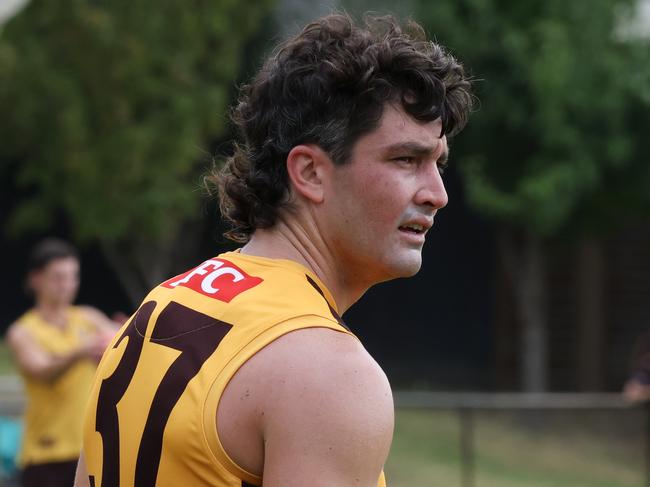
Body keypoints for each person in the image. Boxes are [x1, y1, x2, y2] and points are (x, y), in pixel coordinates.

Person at [76, 13, 473, 487]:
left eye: (438, 164)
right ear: (309, 173)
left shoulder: (165, 302)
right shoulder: (328, 373)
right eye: (406, 159)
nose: (437, 193)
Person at [6, 238, 118, 487]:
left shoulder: (88, 317)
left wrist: (128, 333)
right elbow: (42, 369)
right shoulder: (22, 331)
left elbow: (120, 344)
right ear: (36, 279)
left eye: (72, 277)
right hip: (47, 454)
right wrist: (80, 352)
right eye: (58, 277)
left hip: (89, 449)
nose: (66, 285)